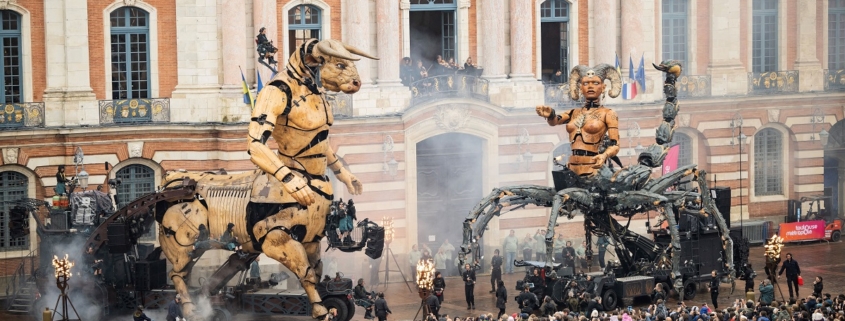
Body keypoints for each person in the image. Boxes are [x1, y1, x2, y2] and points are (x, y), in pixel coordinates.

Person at [535, 64, 621, 177]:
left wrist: (604, 155)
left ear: (603, 87)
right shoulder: (573, 113)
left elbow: (615, 145)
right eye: (586, 83)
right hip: (572, 169)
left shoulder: (608, 114)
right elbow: (555, 121)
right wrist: (550, 114)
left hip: (594, 169)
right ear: (581, 88)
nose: (590, 86)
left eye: (595, 83)